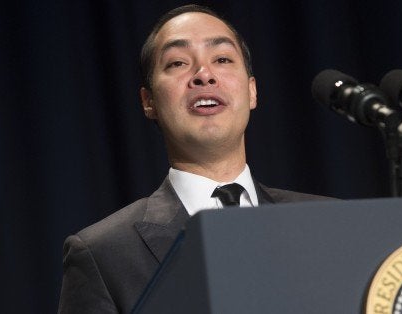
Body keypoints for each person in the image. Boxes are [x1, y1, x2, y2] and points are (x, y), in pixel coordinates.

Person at [58, 4, 332, 313]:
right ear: (148, 102)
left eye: (222, 59)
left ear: (252, 91)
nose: (204, 75)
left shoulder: (329, 223)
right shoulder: (104, 254)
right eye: (177, 63)